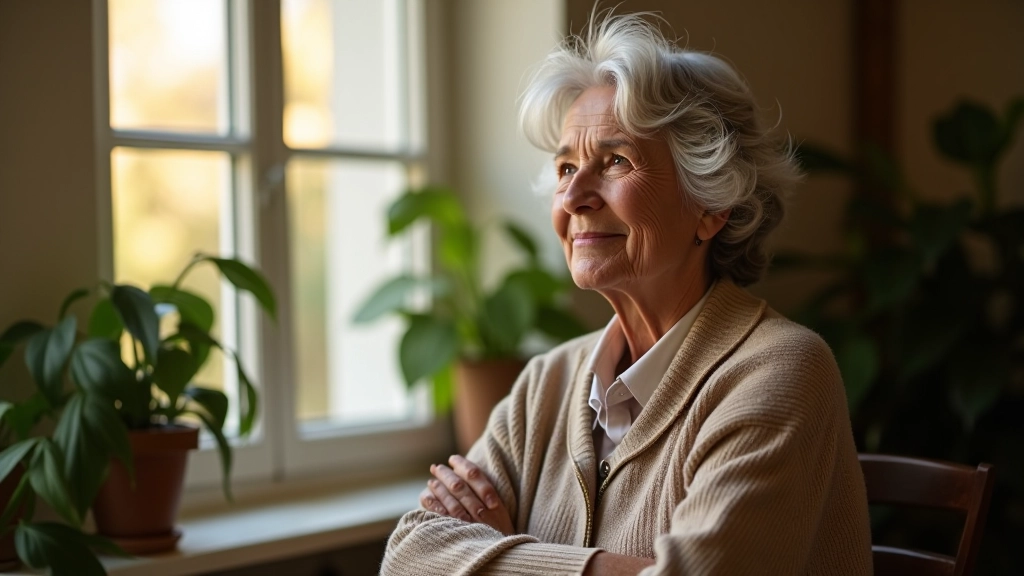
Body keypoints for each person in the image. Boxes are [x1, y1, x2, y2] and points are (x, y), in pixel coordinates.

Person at [381, 12, 872, 576]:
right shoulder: (548, 381)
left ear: (711, 205)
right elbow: (407, 556)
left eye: (615, 161)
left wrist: (504, 553)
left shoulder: (780, 372)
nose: (575, 197)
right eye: (566, 167)